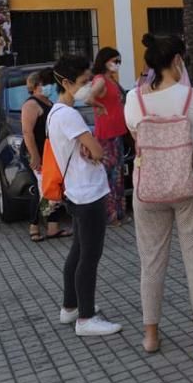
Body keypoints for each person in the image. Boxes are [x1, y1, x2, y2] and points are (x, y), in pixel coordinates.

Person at [125, 34, 193, 354]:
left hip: (148, 186)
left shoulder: (134, 99)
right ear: (177, 60)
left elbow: (136, 138)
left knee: (151, 262)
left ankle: (151, 335)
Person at [49, 55, 123, 337]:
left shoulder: (56, 113)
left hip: (77, 190)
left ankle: (71, 307)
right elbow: (98, 150)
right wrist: (93, 149)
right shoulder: (68, 114)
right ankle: (86, 318)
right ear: (66, 83)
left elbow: (85, 148)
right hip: (88, 192)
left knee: (78, 252)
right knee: (89, 256)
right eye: (83, 82)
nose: (87, 88)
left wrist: (88, 148)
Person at [20, 70, 71, 243]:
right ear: (35, 87)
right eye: (44, 83)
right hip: (36, 153)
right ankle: (34, 225)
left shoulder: (48, 101)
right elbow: (27, 132)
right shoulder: (31, 105)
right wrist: (34, 156)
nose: (48, 86)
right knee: (43, 191)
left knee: (53, 188)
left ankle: (53, 227)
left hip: (50, 152)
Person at [88, 47, 129, 226]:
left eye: (118, 61)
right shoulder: (100, 80)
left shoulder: (110, 79)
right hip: (107, 135)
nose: (117, 65)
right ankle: (110, 214)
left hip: (116, 132)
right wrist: (99, 106)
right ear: (105, 61)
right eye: (114, 61)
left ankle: (118, 212)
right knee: (110, 174)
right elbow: (89, 97)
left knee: (117, 174)